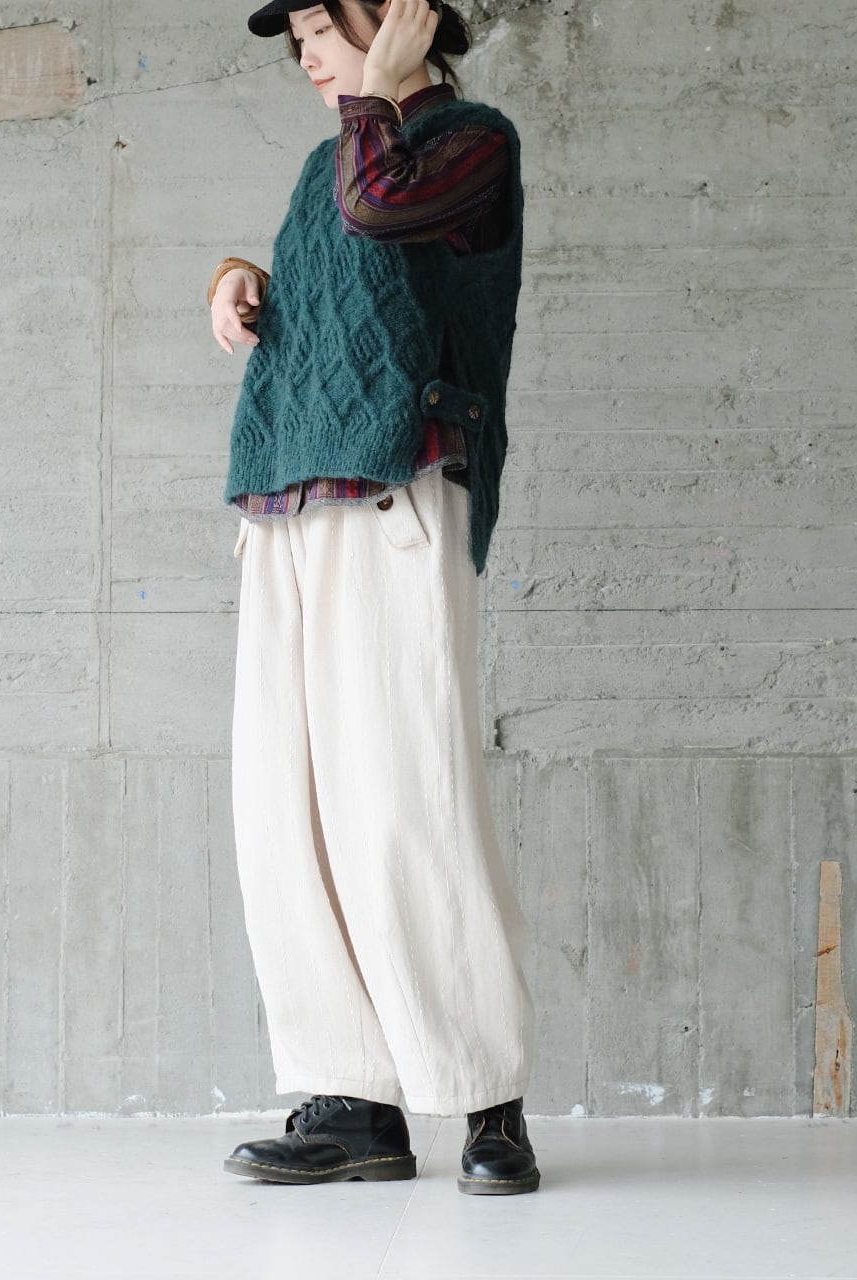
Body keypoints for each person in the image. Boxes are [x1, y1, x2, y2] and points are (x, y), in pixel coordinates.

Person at [207, 0, 539, 1195]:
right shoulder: (333, 154)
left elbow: (379, 209)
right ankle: (349, 1099)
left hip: (397, 486)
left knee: (407, 796)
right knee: (285, 811)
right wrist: (241, 279)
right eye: (294, 36)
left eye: (317, 25)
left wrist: (379, 89)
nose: (303, 53)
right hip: (288, 496)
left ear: (396, 12)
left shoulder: (469, 139)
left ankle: (487, 1095)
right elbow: (337, 273)